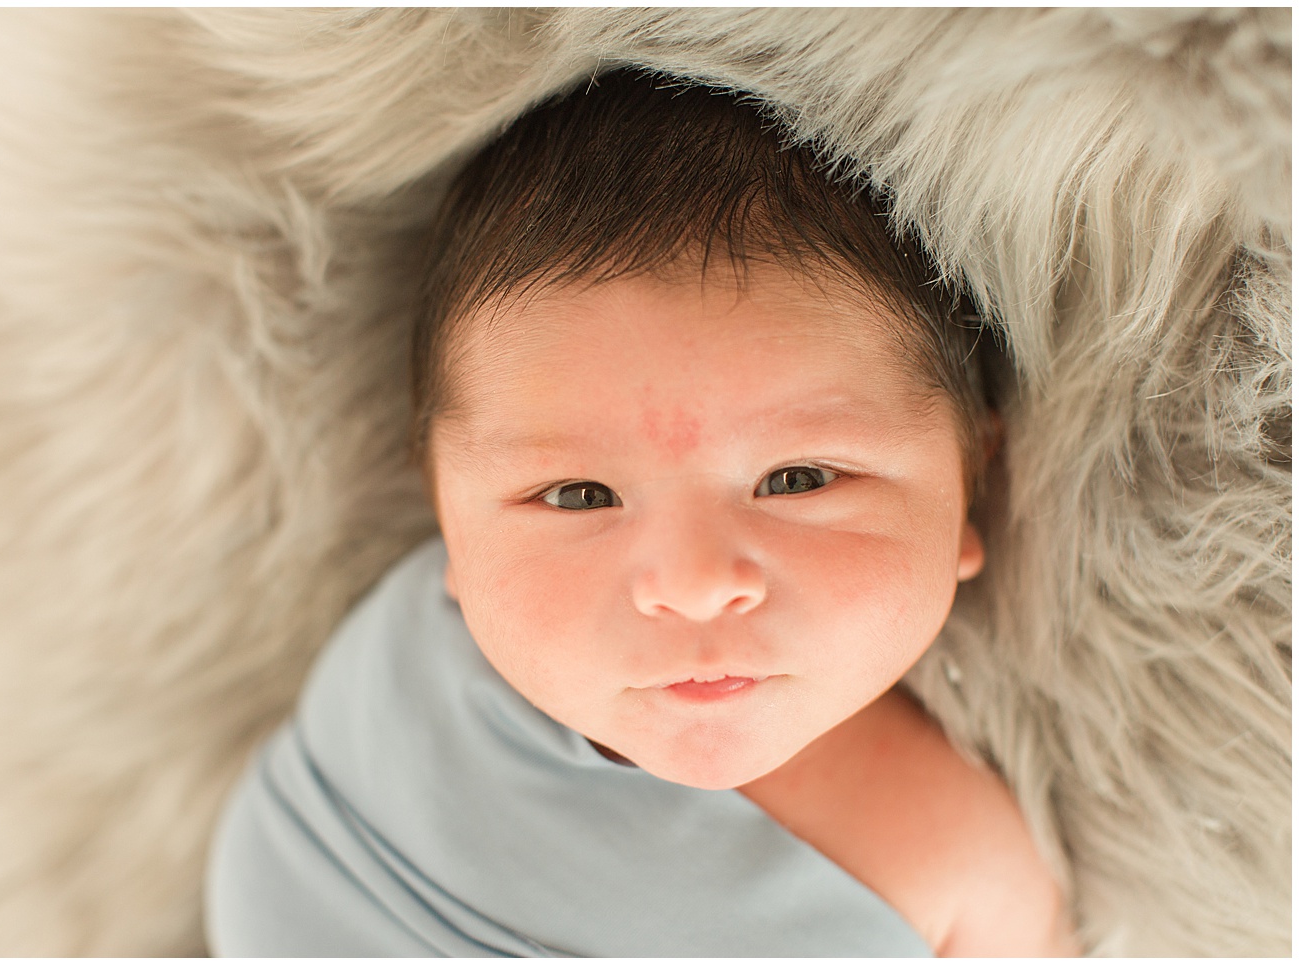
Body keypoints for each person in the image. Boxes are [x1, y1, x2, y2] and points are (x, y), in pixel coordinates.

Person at [206, 70, 1079, 956]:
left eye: (799, 478)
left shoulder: (962, 863)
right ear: (451, 537)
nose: (694, 585)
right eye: (580, 496)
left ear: (972, 478)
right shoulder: (398, 687)